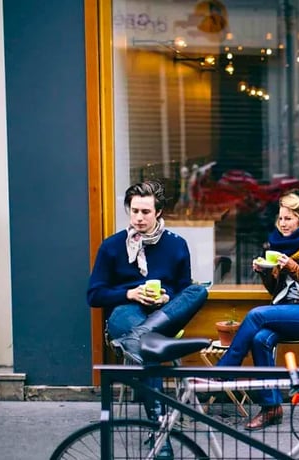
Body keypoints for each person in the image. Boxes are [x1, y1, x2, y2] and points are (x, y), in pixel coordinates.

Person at [87, 180, 208, 459]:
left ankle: (139, 339)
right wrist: (130, 293)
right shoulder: (113, 247)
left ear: (158, 212)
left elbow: (182, 289)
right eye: (134, 211)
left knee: (198, 290)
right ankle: (159, 430)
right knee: (148, 345)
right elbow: (94, 295)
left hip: (164, 316)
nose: (139, 218)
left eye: (145, 212)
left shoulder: (177, 245)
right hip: (125, 315)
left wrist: (165, 299)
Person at [216, 190, 299, 431]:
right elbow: (276, 291)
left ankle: (226, 370)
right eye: (280, 218)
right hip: (287, 311)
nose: (282, 224)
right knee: (261, 339)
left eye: (288, 219)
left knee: (256, 315)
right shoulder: (281, 244)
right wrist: (265, 273)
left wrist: (292, 267)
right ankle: (271, 408)